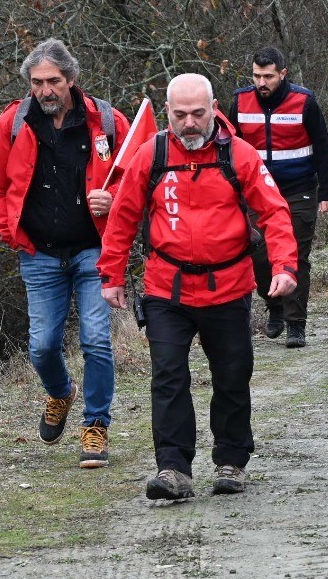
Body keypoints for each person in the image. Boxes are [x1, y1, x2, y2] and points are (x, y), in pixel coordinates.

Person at [97, 73, 298, 500]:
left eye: (198, 113)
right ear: (167, 112)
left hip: (228, 287)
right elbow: (123, 217)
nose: (190, 123)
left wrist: (284, 266)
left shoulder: (239, 155)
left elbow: (275, 212)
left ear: (213, 108)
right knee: (168, 377)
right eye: (180, 114)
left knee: (232, 375)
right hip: (165, 289)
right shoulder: (150, 156)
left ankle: (231, 461)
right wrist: (111, 274)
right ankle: (172, 468)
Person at [0, 38, 130, 467]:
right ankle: (61, 393)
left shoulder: (107, 121)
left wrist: (113, 200)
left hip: (93, 250)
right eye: (38, 82)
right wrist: (10, 232)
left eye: (54, 81)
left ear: (71, 79)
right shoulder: (14, 120)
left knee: (97, 340)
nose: (45, 90)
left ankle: (95, 426)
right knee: (43, 347)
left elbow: (138, 176)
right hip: (38, 252)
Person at [231, 45, 328, 349]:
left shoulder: (304, 101)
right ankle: (274, 305)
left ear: (283, 74)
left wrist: (327, 193)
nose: (261, 83)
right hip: (255, 191)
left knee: (296, 255)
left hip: (299, 188)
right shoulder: (240, 101)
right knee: (259, 253)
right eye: (256, 76)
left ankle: (296, 323)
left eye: (268, 76)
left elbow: (323, 147)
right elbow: (228, 144)